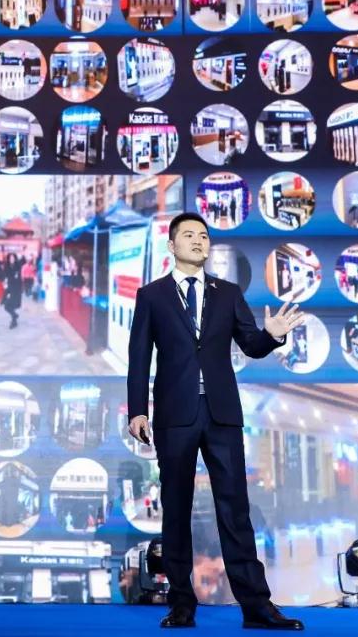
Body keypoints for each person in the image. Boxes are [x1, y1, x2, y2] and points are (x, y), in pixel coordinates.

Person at [126, 212, 305, 630]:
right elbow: (139, 356)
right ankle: (181, 604)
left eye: (204, 236)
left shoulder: (228, 293)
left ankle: (256, 606)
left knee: (235, 508)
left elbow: (251, 344)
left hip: (222, 412)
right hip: (175, 414)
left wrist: (273, 334)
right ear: (172, 246)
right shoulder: (151, 296)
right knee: (176, 508)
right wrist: (137, 409)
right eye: (189, 235)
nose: (198, 241)